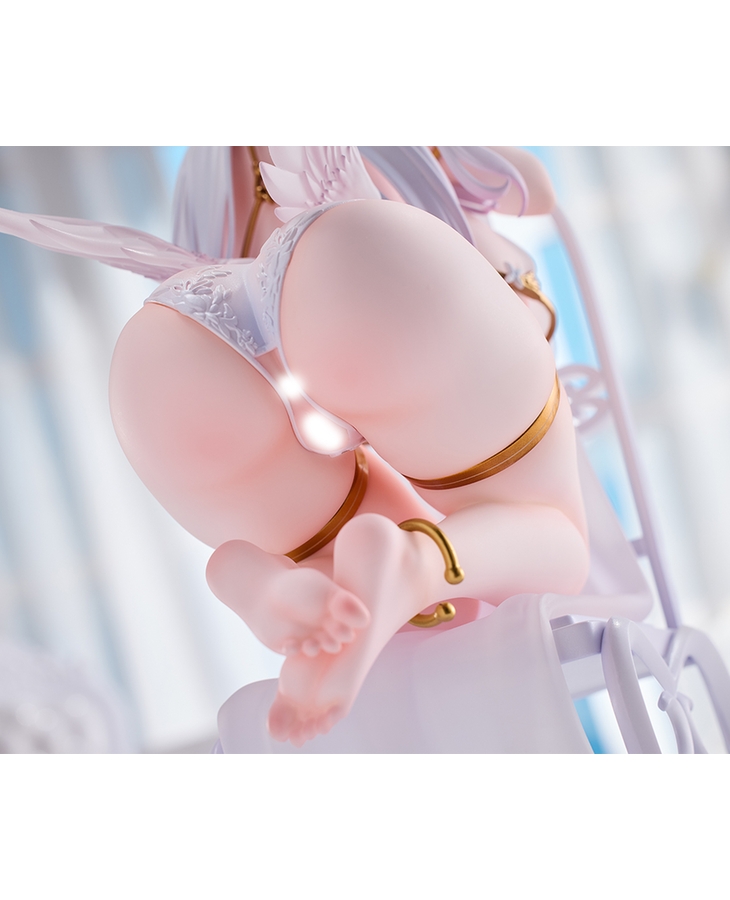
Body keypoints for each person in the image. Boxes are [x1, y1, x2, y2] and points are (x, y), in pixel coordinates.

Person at [0, 147, 591, 747]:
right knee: (554, 534)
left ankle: (269, 582)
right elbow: (529, 189)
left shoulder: (208, 173)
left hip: (182, 329)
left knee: (391, 596)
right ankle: (417, 563)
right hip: (358, 268)